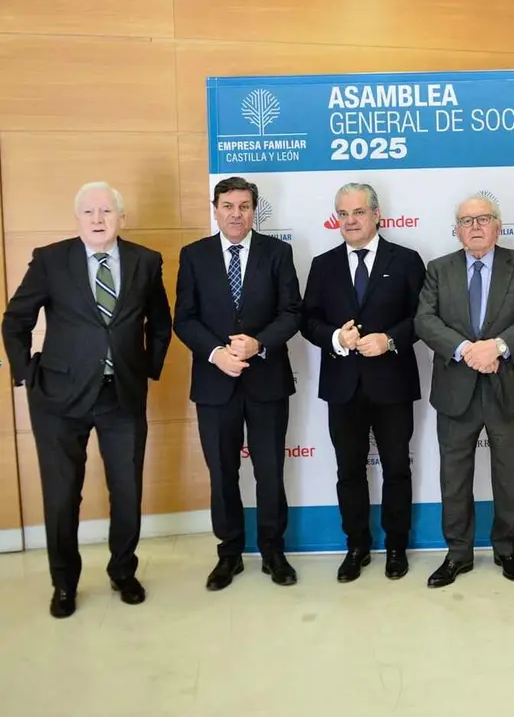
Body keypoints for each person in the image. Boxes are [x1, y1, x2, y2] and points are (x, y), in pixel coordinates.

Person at [1, 182, 172, 618]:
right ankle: (64, 583)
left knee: (127, 490)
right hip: (58, 400)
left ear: (121, 217)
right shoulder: (50, 260)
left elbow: (161, 323)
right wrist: (25, 375)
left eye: (106, 211)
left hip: (122, 396)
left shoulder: (145, 261)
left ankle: (123, 571)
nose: (98, 219)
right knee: (61, 496)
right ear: (77, 219)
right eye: (89, 212)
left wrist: (145, 369)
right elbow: (16, 319)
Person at [173, 176, 302, 591]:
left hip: (266, 380)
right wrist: (217, 354)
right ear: (215, 208)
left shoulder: (278, 253)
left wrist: (257, 344)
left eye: (244, 206)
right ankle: (229, 554)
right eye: (227, 205)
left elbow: (292, 313)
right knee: (223, 473)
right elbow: (184, 319)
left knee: (269, 471)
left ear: (254, 210)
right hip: (215, 385)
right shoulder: (193, 256)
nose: (235, 213)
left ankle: (272, 551)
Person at [414, 194, 514, 587]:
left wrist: (498, 347)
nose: (474, 226)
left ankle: (507, 549)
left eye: (483, 219)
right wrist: (467, 350)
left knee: (510, 474)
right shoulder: (438, 269)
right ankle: (458, 554)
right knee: (454, 477)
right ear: (456, 229)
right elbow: (425, 320)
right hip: (457, 388)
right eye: (466, 220)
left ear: (497, 226)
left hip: (509, 387)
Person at [301, 183, 425, 582]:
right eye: (343, 214)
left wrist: (389, 340)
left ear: (376, 214)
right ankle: (356, 545)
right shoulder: (323, 264)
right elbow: (307, 321)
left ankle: (395, 546)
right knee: (348, 471)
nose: (350, 221)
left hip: (392, 384)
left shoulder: (406, 260)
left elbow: (423, 318)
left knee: (396, 469)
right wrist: (336, 339)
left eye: (357, 212)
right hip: (343, 386)